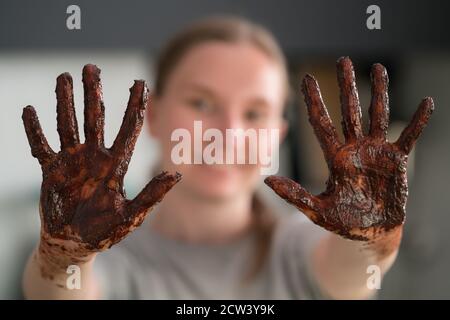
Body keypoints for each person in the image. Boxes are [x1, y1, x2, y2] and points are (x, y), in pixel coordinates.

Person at [21, 15, 433, 299]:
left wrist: (375, 239)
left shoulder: (297, 243)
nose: (229, 132)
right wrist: (63, 254)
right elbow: (62, 290)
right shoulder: (103, 247)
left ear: (277, 135)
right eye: (201, 102)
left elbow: (352, 275)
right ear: (156, 115)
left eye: (254, 113)